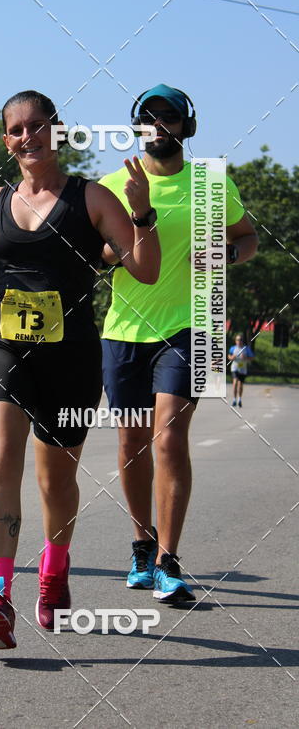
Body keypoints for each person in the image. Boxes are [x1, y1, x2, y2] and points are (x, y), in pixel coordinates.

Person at [0, 90, 160, 649]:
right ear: (6, 140)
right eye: (16, 130)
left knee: (57, 480)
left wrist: (140, 211)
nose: (27, 137)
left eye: (38, 126)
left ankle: (54, 570)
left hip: (71, 356)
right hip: (3, 345)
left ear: (57, 131)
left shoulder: (91, 197)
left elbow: (145, 268)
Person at [100, 84, 258, 603]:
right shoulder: (112, 184)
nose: (160, 124)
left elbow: (247, 238)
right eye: (150, 117)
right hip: (124, 328)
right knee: (131, 442)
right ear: (137, 127)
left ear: (187, 127)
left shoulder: (212, 184)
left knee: (168, 437)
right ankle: (142, 544)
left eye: (170, 117)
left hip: (198, 324)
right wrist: (120, 238)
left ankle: (169, 559)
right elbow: (96, 251)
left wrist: (228, 258)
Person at [228, 333, 254, 407]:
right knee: (235, 382)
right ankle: (234, 399)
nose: (239, 341)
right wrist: (232, 357)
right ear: (235, 341)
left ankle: (239, 399)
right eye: (237, 340)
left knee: (240, 384)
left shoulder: (246, 349)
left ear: (243, 341)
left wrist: (246, 357)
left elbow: (252, 357)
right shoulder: (233, 348)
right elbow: (229, 356)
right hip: (234, 368)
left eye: (240, 340)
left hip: (243, 369)